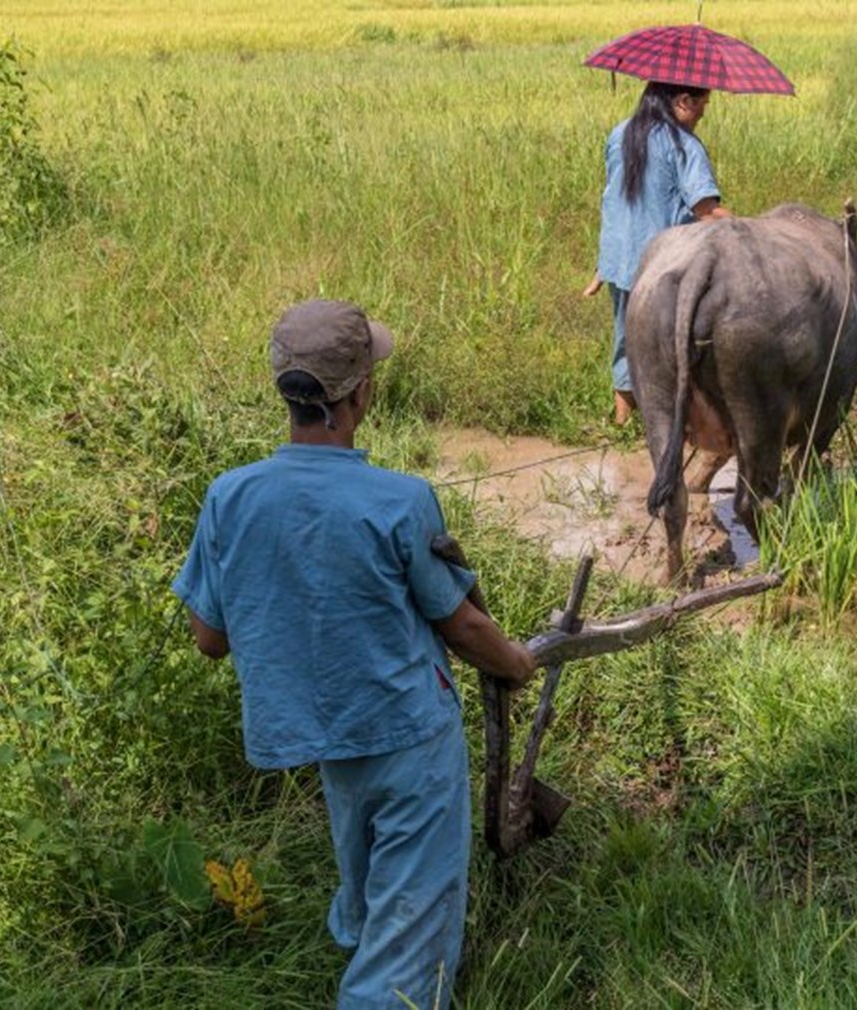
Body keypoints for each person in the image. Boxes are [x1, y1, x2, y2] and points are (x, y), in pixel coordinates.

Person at [172, 299, 536, 1010]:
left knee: (371, 890)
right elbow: (461, 625)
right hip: (409, 736)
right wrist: (516, 663)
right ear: (359, 393)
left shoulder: (229, 497)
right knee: (408, 942)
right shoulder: (400, 500)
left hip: (327, 738)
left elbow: (210, 638)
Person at [585, 80, 732, 425]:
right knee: (672, 344)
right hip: (665, 265)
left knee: (627, 337)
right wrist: (756, 231)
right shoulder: (683, 145)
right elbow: (706, 210)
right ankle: (676, 424)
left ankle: (622, 424)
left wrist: (603, 263)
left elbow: (614, 201)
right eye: (702, 105)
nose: (702, 115)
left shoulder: (620, 133)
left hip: (619, 258)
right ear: (683, 101)